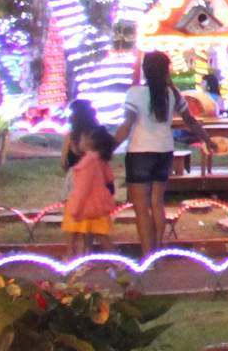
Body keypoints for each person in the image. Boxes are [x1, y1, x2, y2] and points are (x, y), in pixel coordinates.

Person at [120, 50, 181, 256]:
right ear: (166, 70)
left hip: (140, 153)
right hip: (164, 151)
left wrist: (107, 146)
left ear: (145, 69)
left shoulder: (135, 93)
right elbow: (190, 120)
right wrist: (208, 140)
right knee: (157, 203)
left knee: (141, 209)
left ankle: (147, 256)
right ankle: (156, 251)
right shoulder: (172, 93)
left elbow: (127, 124)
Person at [65, 125, 118, 260]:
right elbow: (109, 180)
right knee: (102, 237)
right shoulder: (101, 160)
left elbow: (82, 189)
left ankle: (74, 263)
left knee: (76, 235)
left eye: (82, 139)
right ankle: (119, 264)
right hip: (99, 206)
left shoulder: (87, 163)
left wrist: (75, 209)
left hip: (85, 207)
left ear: (90, 143)